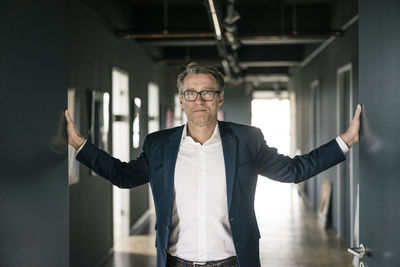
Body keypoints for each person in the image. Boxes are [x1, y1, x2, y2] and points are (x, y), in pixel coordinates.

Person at [65, 62, 361, 267]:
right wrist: (80, 144)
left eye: (207, 92)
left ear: (219, 98)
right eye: (191, 93)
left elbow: (294, 170)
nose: (199, 100)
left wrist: (345, 140)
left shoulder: (247, 139)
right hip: (176, 262)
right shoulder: (159, 145)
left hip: (234, 261)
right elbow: (123, 175)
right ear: (181, 100)